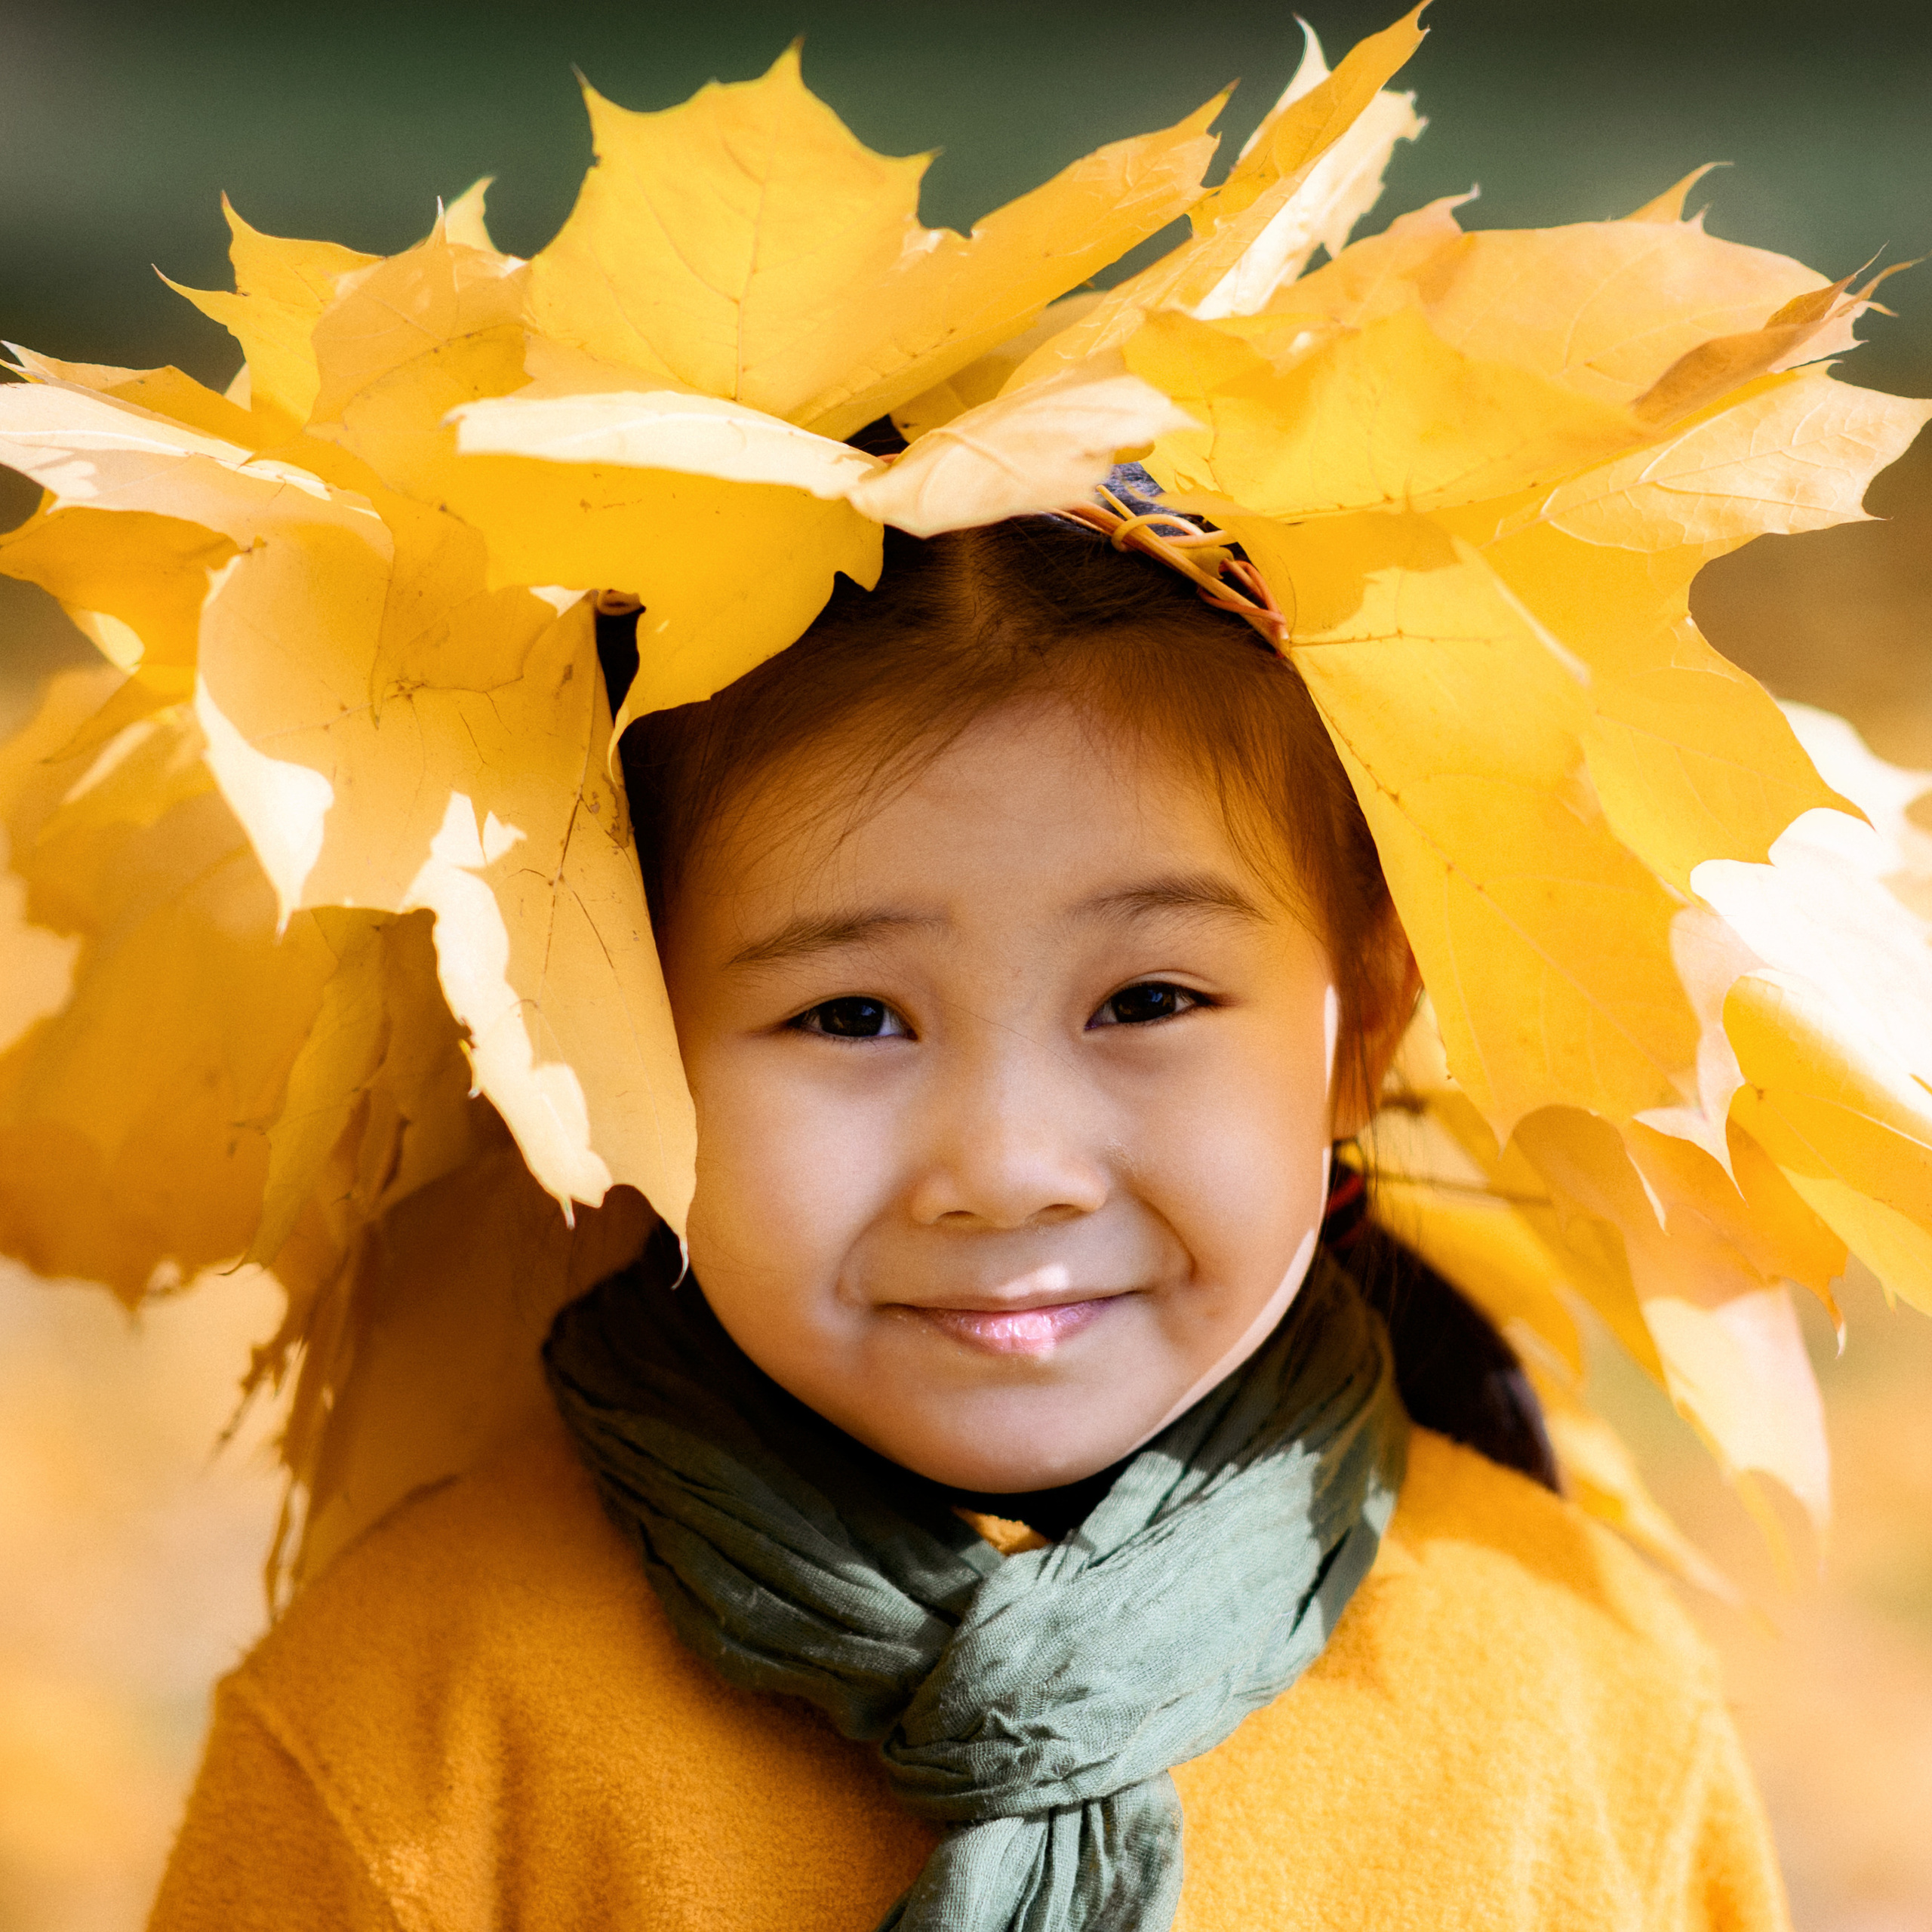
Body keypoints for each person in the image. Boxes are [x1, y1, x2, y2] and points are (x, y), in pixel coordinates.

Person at [146, 509, 1789, 1929]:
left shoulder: (1568, 1681)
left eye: (1146, 996)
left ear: (1360, 1018)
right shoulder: (422, 1707)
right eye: (851, 1015)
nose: (1007, 1165)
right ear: (609, 1043)